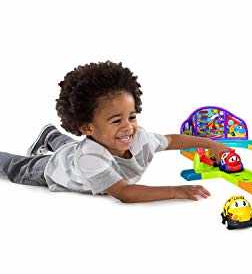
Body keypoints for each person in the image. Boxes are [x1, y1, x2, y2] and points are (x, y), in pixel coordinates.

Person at [0, 61, 230, 203]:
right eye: (116, 120)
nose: (128, 126)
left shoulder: (138, 137)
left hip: (74, 152)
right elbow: (124, 192)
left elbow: (171, 140)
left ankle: (49, 135)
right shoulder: (90, 157)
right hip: (53, 169)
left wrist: (211, 144)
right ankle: (44, 142)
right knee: (15, 166)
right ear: (87, 128)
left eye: (132, 116)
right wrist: (176, 191)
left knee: (70, 147)